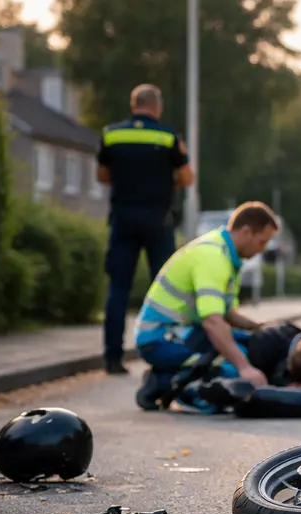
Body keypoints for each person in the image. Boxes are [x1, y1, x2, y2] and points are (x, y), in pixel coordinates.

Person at [133, 201, 279, 411]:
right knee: (231, 370)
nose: (262, 249)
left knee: (244, 345)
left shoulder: (227, 255)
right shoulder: (213, 257)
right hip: (158, 340)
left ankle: (172, 375)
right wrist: (244, 368)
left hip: (178, 332)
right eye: (262, 242)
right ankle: (163, 382)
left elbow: (226, 313)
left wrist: (258, 328)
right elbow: (213, 323)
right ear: (247, 231)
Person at [97, 83, 194, 375]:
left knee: (118, 289)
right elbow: (187, 178)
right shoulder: (168, 137)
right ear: (157, 106)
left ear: (133, 104)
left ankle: (113, 359)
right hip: (157, 219)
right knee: (165, 287)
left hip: (123, 218)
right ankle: (166, 354)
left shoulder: (112, 134)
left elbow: (102, 175)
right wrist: (167, 178)